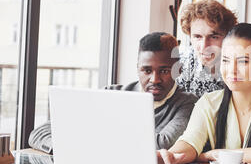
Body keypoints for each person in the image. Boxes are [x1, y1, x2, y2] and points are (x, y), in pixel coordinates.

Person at [158, 23, 251, 164]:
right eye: (225, 60)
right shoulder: (209, 102)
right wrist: (171, 155)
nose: (231, 70)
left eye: (243, 61)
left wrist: (213, 154)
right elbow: (190, 141)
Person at [29, 32, 197, 152]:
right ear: (138, 69)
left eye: (164, 71)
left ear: (178, 70)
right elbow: (39, 133)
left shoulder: (188, 103)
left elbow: (162, 144)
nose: (155, 79)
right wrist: (62, 147)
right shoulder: (111, 94)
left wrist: (89, 138)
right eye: (146, 71)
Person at [177, 0, 238, 97]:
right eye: (197, 37)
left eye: (214, 37)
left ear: (228, 37)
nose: (204, 46)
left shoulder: (243, 66)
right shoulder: (180, 64)